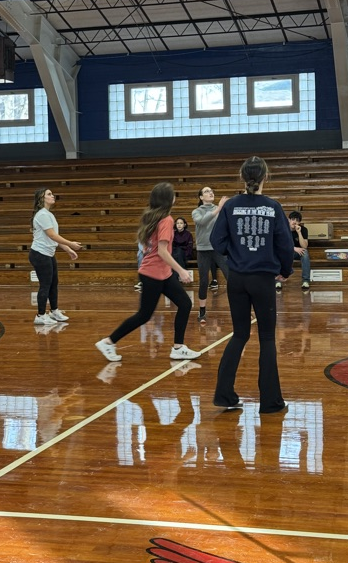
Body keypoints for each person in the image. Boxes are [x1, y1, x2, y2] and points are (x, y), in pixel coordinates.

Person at [209, 156, 295, 413]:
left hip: (236, 278)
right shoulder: (273, 207)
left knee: (239, 334)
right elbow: (285, 244)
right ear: (265, 177)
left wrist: (235, 254)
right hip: (263, 279)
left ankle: (224, 395)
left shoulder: (231, 205)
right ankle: (270, 402)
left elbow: (216, 240)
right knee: (267, 338)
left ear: (242, 177)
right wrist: (285, 270)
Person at [95, 182, 200, 363]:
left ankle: (178, 347)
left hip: (161, 273)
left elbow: (148, 248)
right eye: (173, 194)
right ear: (168, 199)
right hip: (153, 274)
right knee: (144, 315)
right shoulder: (166, 220)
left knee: (184, 303)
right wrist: (182, 270)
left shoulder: (151, 217)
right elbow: (162, 251)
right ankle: (108, 341)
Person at [30, 188, 82, 325]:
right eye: (49, 194)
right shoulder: (42, 215)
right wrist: (70, 243)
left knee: (54, 284)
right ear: (42, 198)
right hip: (40, 254)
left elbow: (53, 238)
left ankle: (54, 311)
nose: (52, 196)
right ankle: (40, 316)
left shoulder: (48, 214)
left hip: (48, 254)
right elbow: (52, 235)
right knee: (45, 285)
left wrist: (68, 249)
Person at [191, 186, 230, 324]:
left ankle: (241, 309)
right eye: (207, 191)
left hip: (218, 248)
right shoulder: (197, 211)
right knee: (203, 281)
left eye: (212, 191)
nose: (211, 192)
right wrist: (218, 209)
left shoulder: (220, 209)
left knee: (231, 277)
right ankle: (202, 310)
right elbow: (202, 221)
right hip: (203, 250)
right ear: (201, 197)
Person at [286, 210, 311, 291]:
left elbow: (304, 246)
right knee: (276, 253)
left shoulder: (303, 230)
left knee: (305, 253)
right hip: (285, 252)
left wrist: (299, 233)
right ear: (289, 220)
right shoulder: (283, 229)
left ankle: (305, 281)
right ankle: (277, 281)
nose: (294, 222)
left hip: (296, 253)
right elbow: (279, 244)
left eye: (297, 220)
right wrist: (294, 248)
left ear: (299, 222)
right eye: (293, 219)